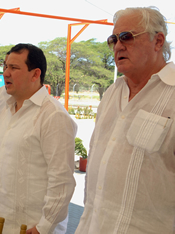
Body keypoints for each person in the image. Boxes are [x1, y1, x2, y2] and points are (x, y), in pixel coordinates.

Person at [75, 7, 175, 234]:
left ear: (158, 41)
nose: (118, 46)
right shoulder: (111, 93)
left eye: (126, 37)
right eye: (113, 39)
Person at [0, 43, 77, 234]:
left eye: (14, 68)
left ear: (35, 74)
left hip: (32, 227)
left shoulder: (53, 115)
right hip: (2, 222)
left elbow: (61, 180)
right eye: (5, 66)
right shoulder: (7, 110)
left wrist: (43, 228)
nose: (6, 73)